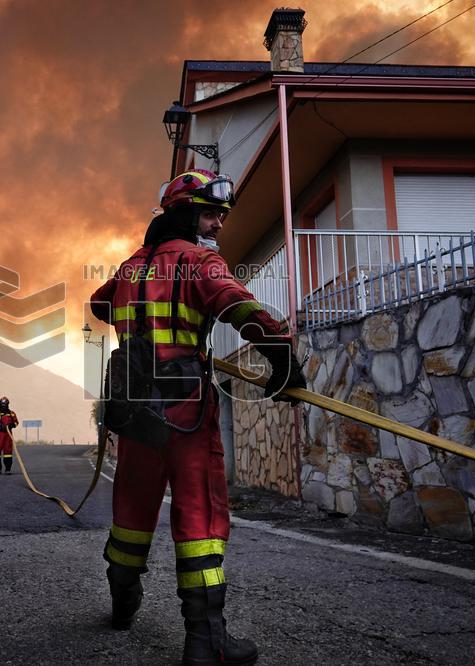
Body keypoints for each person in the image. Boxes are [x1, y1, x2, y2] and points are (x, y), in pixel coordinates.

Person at [90, 169, 305, 665]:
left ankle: (123, 604)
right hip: (185, 406)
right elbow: (240, 306)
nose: (218, 225)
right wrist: (282, 358)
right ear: (185, 214)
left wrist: (141, 317)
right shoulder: (199, 262)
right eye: (210, 214)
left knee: (132, 508)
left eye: (221, 216)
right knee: (200, 515)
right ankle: (207, 641)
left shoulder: (128, 269)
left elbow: (101, 304)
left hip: (136, 406)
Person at [0, 397, 19, 475]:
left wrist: (12, 425)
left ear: (7, 404)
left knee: (8, 452)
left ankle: (7, 469)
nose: (4, 406)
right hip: (0, 434)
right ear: (0, 404)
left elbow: (16, 422)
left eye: (5, 404)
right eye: (3, 404)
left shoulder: (12, 413)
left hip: (8, 435)